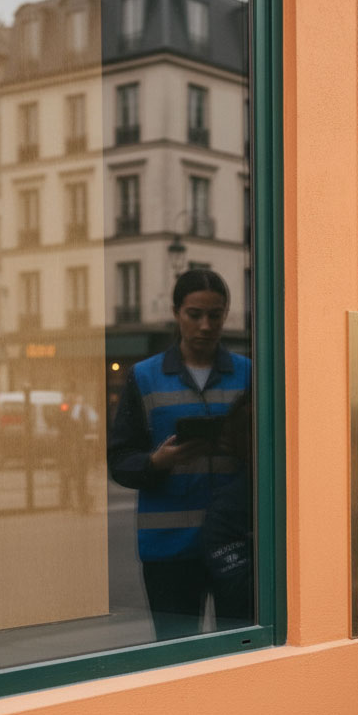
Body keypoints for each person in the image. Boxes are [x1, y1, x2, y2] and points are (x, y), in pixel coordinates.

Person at [108, 269, 252, 640]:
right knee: (176, 656)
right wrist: (157, 463)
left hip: (235, 541)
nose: (205, 325)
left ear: (226, 314)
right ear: (176, 313)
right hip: (169, 550)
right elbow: (119, 458)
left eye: (215, 315)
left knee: (239, 652)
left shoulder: (250, 374)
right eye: (194, 314)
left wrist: (237, 448)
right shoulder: (144, 376)